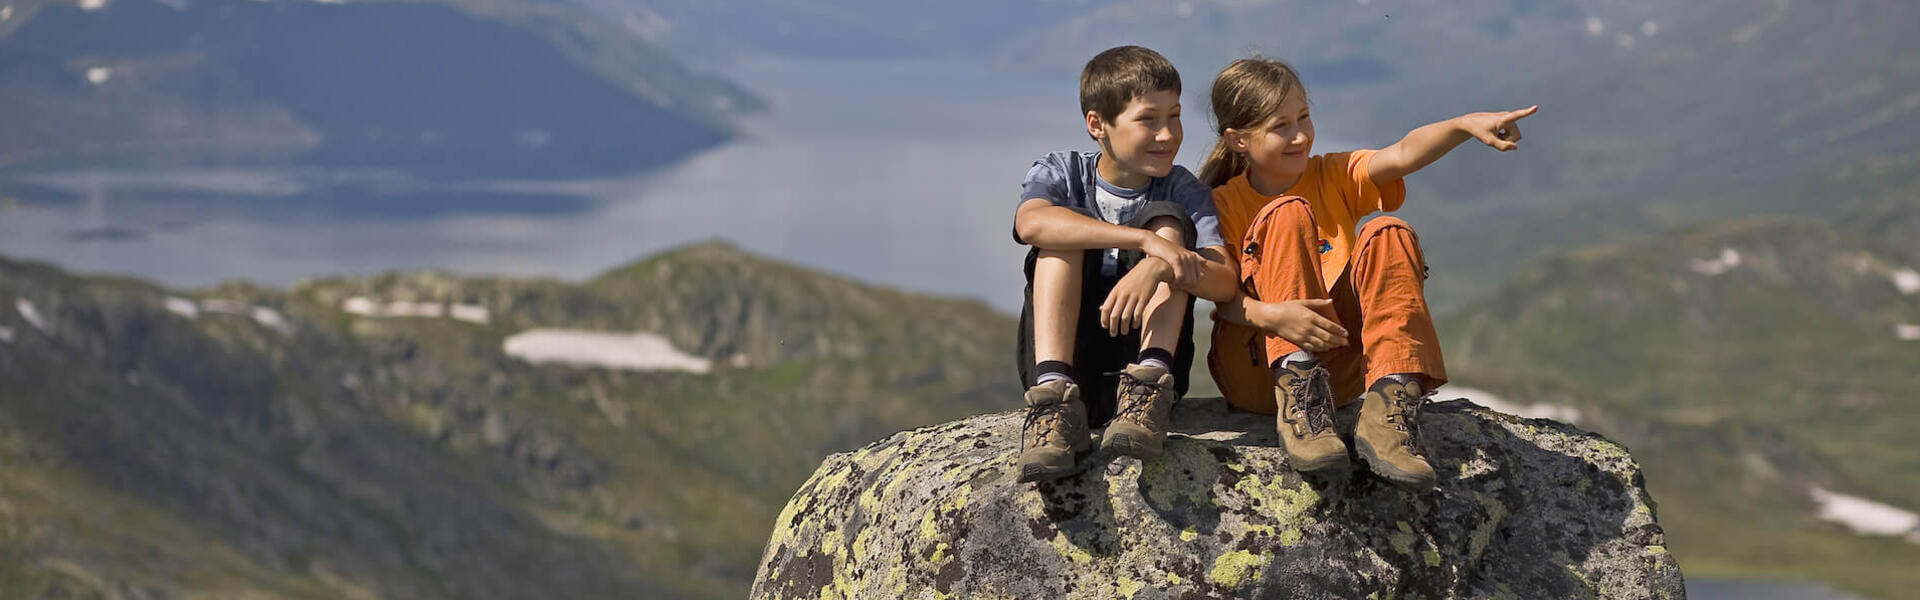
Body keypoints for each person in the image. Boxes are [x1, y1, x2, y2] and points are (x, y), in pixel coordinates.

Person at [1198, 56, 1537, 490]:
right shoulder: (1222, 203)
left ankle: (1389, 407)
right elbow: (1223, 298)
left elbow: (1401, 154)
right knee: (1285, 212)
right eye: (1280, 126)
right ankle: (1298, 394)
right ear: (1238, 139)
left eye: (1304, 117)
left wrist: (1463, 125)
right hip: (1256, 369)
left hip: (1337, 374)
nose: (1300, 135)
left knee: (1388, 230)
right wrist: (1274, 317)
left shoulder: (1331, 175)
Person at [1011, 46, 1241, 483]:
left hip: (1146, 387)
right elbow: (1031, 223)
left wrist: (1159, 263)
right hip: (1072, 373)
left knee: (1171, 221)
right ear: (1098, 124)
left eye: (1174, 116)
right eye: (1148, 119)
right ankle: (1054, 404)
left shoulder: (1185, 190)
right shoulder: (1063, 172)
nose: (1168, 134)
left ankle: (1147, 383)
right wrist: (1142, 241)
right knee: (1063, 236)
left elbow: (1225, 282)